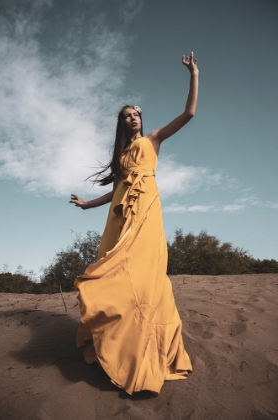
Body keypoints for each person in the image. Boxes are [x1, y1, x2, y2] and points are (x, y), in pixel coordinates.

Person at [70, 52, 199, 395]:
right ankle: (116, 340)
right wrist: (85, 205)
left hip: (146, 210)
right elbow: (114, 193)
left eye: (135, 114)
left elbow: (189, 114)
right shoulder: (123, 156)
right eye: (127, 117)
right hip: (121, 215)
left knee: (145, 273)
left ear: (142, 118)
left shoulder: (153, 139)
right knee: (116, 268)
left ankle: (145, 346)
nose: (133, 119)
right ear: (121, 124)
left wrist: (193, 75)